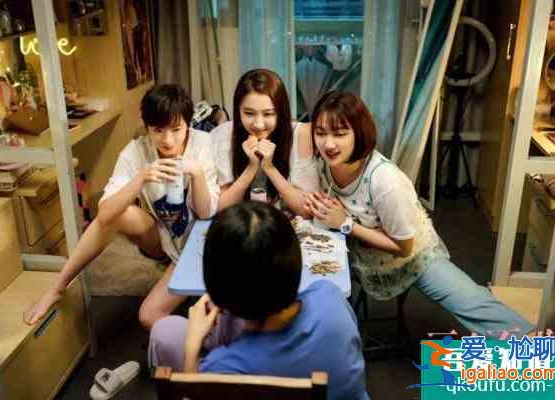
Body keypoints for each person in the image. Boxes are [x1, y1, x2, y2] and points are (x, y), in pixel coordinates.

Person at [304, 91, 534, 338]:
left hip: (410, 256)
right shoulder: (323, 161)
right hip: (359, 249)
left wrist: (346, 224)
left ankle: (541, 352)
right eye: (321, 133)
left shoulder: (386, 181)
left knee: (474, 304)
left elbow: (404, 247)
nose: (328, 144)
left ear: (359, 133)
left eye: (340, 134)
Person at [24, 84, 219, 330]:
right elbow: (105, 214)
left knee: (148, 316)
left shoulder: (203, 144)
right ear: (147, 127)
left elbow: (206, 213)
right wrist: (141, 178)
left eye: (176, 129)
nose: (168, 140)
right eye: (158, 130)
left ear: (188, 124)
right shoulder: (136, 152)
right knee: (118, 212)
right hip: (165, 240)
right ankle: (58, 287)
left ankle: (203, 334)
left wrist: (197, 172)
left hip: (201, 242)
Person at [148, 202, 369, 400]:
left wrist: (192, 348)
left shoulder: (221, 369)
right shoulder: (330, 295)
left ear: (217, 290)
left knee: (166, 331)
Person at [212, 68, 318, 214]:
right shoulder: (223, 134)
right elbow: (219, 208)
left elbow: (307, 211)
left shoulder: (300, 135)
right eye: (249, 113)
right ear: (238, 110)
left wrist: (269, 168)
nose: (258, 124)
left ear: (281, 112)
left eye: (268, 114)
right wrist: (251, 167)